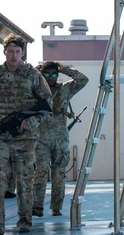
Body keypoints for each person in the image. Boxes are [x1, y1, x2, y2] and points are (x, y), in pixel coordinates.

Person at [0, 33, 52, 235]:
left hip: (25, 139)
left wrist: (31, 121)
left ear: (23, 53)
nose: (14, 55)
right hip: (0, 137)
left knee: (24, 181)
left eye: (17, 52)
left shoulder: (32, 75)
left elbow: (47, 105)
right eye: (10, 51)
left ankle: (24, 221)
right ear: (5, 52)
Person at [32, 61, 88, 217]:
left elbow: (83, 80)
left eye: (54, 74)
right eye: (47, 74)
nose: (50, 77)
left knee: (59, 174)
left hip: (60, 139)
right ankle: (37, 206)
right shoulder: (35, 89)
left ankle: (56, 207)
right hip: (41, 139)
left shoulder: (65, 89)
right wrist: (36, 72)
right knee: (40, 173)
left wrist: (64, 69)